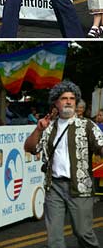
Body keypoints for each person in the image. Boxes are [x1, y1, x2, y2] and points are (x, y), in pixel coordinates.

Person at [24, 80, 103, 248]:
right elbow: (30, 148)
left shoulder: (87, 125)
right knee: (54, 239)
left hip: (80, 187)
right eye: (64, 98)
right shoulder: (48, 127)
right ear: (56, 102)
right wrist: (38, 129)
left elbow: (101, 146)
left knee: (83, 232)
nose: (68, 101)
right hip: (54, 187)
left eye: (72, 98)